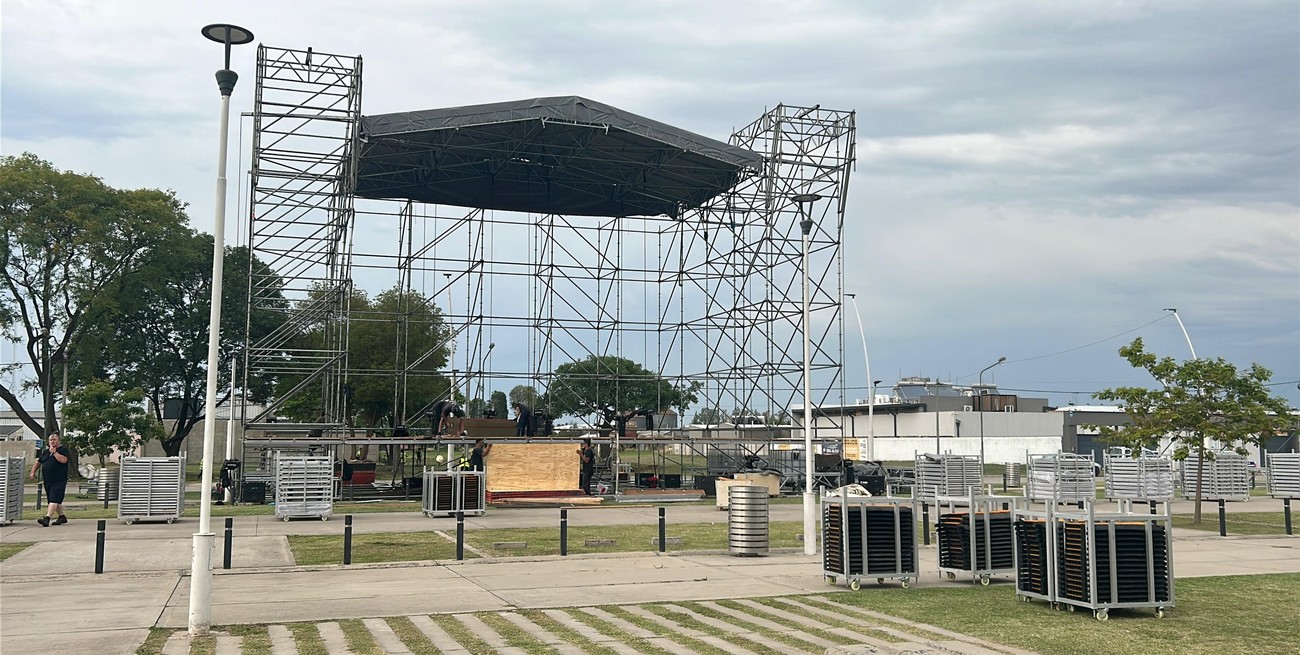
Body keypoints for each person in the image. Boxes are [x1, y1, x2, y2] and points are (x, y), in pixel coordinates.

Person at [29, 432, 70, 526]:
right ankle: (62, 517)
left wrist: (54, 452)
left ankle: (47, 519)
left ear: (58, 441)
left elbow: (64, 460)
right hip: (48, 480)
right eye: (51, 440)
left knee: (54, 499)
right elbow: (38, 462)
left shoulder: (63, 450)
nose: (52, 442)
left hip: (59, 480)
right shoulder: (46, 452)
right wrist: (32, 472)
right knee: (54, 500)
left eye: (54, 440)